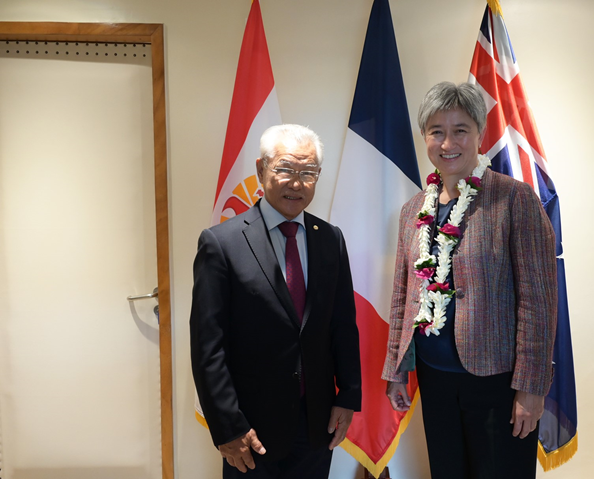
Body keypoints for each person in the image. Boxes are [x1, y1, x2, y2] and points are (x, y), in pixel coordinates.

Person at [382, 82, 557, 478]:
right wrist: (396, 368)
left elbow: (538, 302)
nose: (448, 142)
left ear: (479, 133)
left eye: (460, 129)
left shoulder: (514, 199)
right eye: (437, 131)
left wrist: (531, 388)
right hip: (434, 378)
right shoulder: (413, 210)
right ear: (425, 137)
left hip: (497, 381)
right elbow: (402, 296)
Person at [190, 124, 361, 479]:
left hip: (316, 422)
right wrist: (227, 426)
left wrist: (347, 396)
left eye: (308, 172)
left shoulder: (331, 239)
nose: (296, 183)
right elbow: (208, 347)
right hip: (250, 428)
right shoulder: (221, 243)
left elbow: (343, 324)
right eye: (284, 169)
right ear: (260, 169)